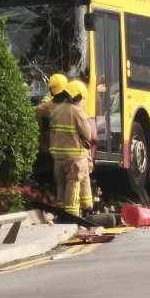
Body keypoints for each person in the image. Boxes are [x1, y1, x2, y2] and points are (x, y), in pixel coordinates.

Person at [48, 80, 94, 217]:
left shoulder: (57, 110)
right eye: (83, 99)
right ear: (78, 97)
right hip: (75, 158)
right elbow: (87, 133)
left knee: (61, 185)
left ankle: (63, 212)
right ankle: (73, 215)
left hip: (58, 157)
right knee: (73, 184)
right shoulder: (77, 112)